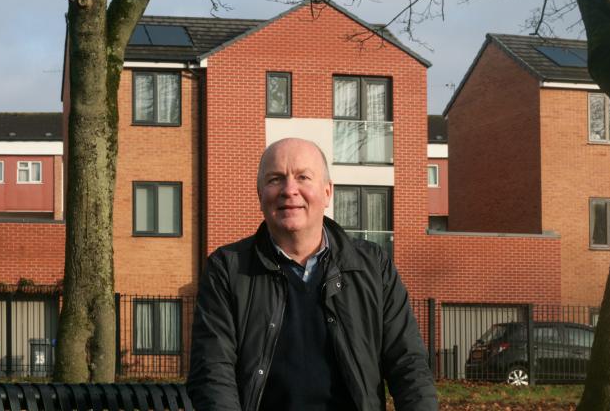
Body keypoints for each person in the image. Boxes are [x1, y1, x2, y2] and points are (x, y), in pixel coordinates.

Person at [187, 138, 438, 411]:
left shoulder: (373, 267)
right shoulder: (228, 269)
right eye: (275, 179)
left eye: (303, 177)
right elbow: (212, 372)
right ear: (259, 194)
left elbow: (409, 365)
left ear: (328, 192)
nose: (289, 190)